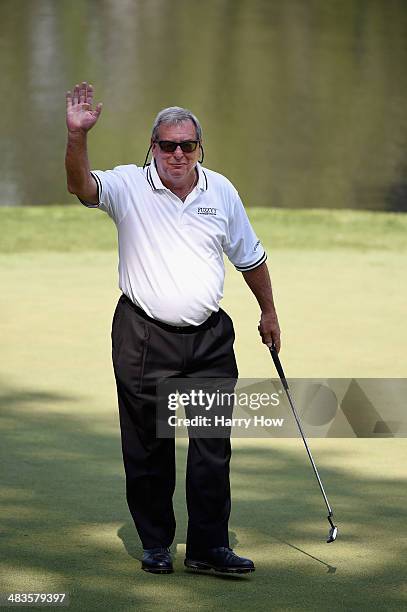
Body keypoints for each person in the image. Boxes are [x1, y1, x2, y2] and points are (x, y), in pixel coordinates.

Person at [65, 81, 281, 575]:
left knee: (211, 447)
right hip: (144, 336)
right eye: (168, 145)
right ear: (153, 148)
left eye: (187, 145)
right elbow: (81, 186)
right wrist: (77, 137)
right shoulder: (128, 185)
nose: (178, 154)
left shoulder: (220, 190)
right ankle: (157, 543)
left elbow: (251, 258)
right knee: (147, 446)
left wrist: (268, 312)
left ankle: (207, 548)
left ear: (199, 147)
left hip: (208, 339)